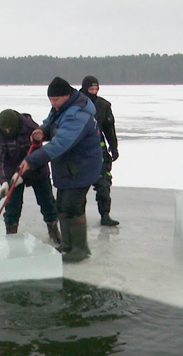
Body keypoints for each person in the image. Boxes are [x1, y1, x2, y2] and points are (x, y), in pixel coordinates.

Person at [19, 77, 102, 262]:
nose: (53, 103)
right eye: (50, 100)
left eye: (56, 99)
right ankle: (67, 244)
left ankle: (80, 249)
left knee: (73, 206)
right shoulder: (61, 108)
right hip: (67, 165)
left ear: (67, 95)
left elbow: (62, 142)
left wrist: (32, 160)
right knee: (62, 205)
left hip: (82, 166)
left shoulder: (78, 114)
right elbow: (51, 123)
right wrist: (43, 131)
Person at [0, 109, 60, 244]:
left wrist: (23, 174)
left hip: (37, 170)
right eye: (5, 129)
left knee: (47, 201)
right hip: (12, 173)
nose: (8, 132)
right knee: (12, 205)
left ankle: (53, 229)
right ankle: (11, 234)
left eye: (10, 128)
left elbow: (38, 155)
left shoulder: (31, 129)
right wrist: (4, 181)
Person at [80, 76, 120, 226]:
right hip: (80, 151)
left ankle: (105, 215)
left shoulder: (103, 105)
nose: (94, 92)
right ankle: (77, 217)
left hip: (99, 149)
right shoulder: (75, 104)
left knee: (103, 183)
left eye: (96, 89)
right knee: (78, 188)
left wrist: (114, 146)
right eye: (91, 89)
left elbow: (109, 128)